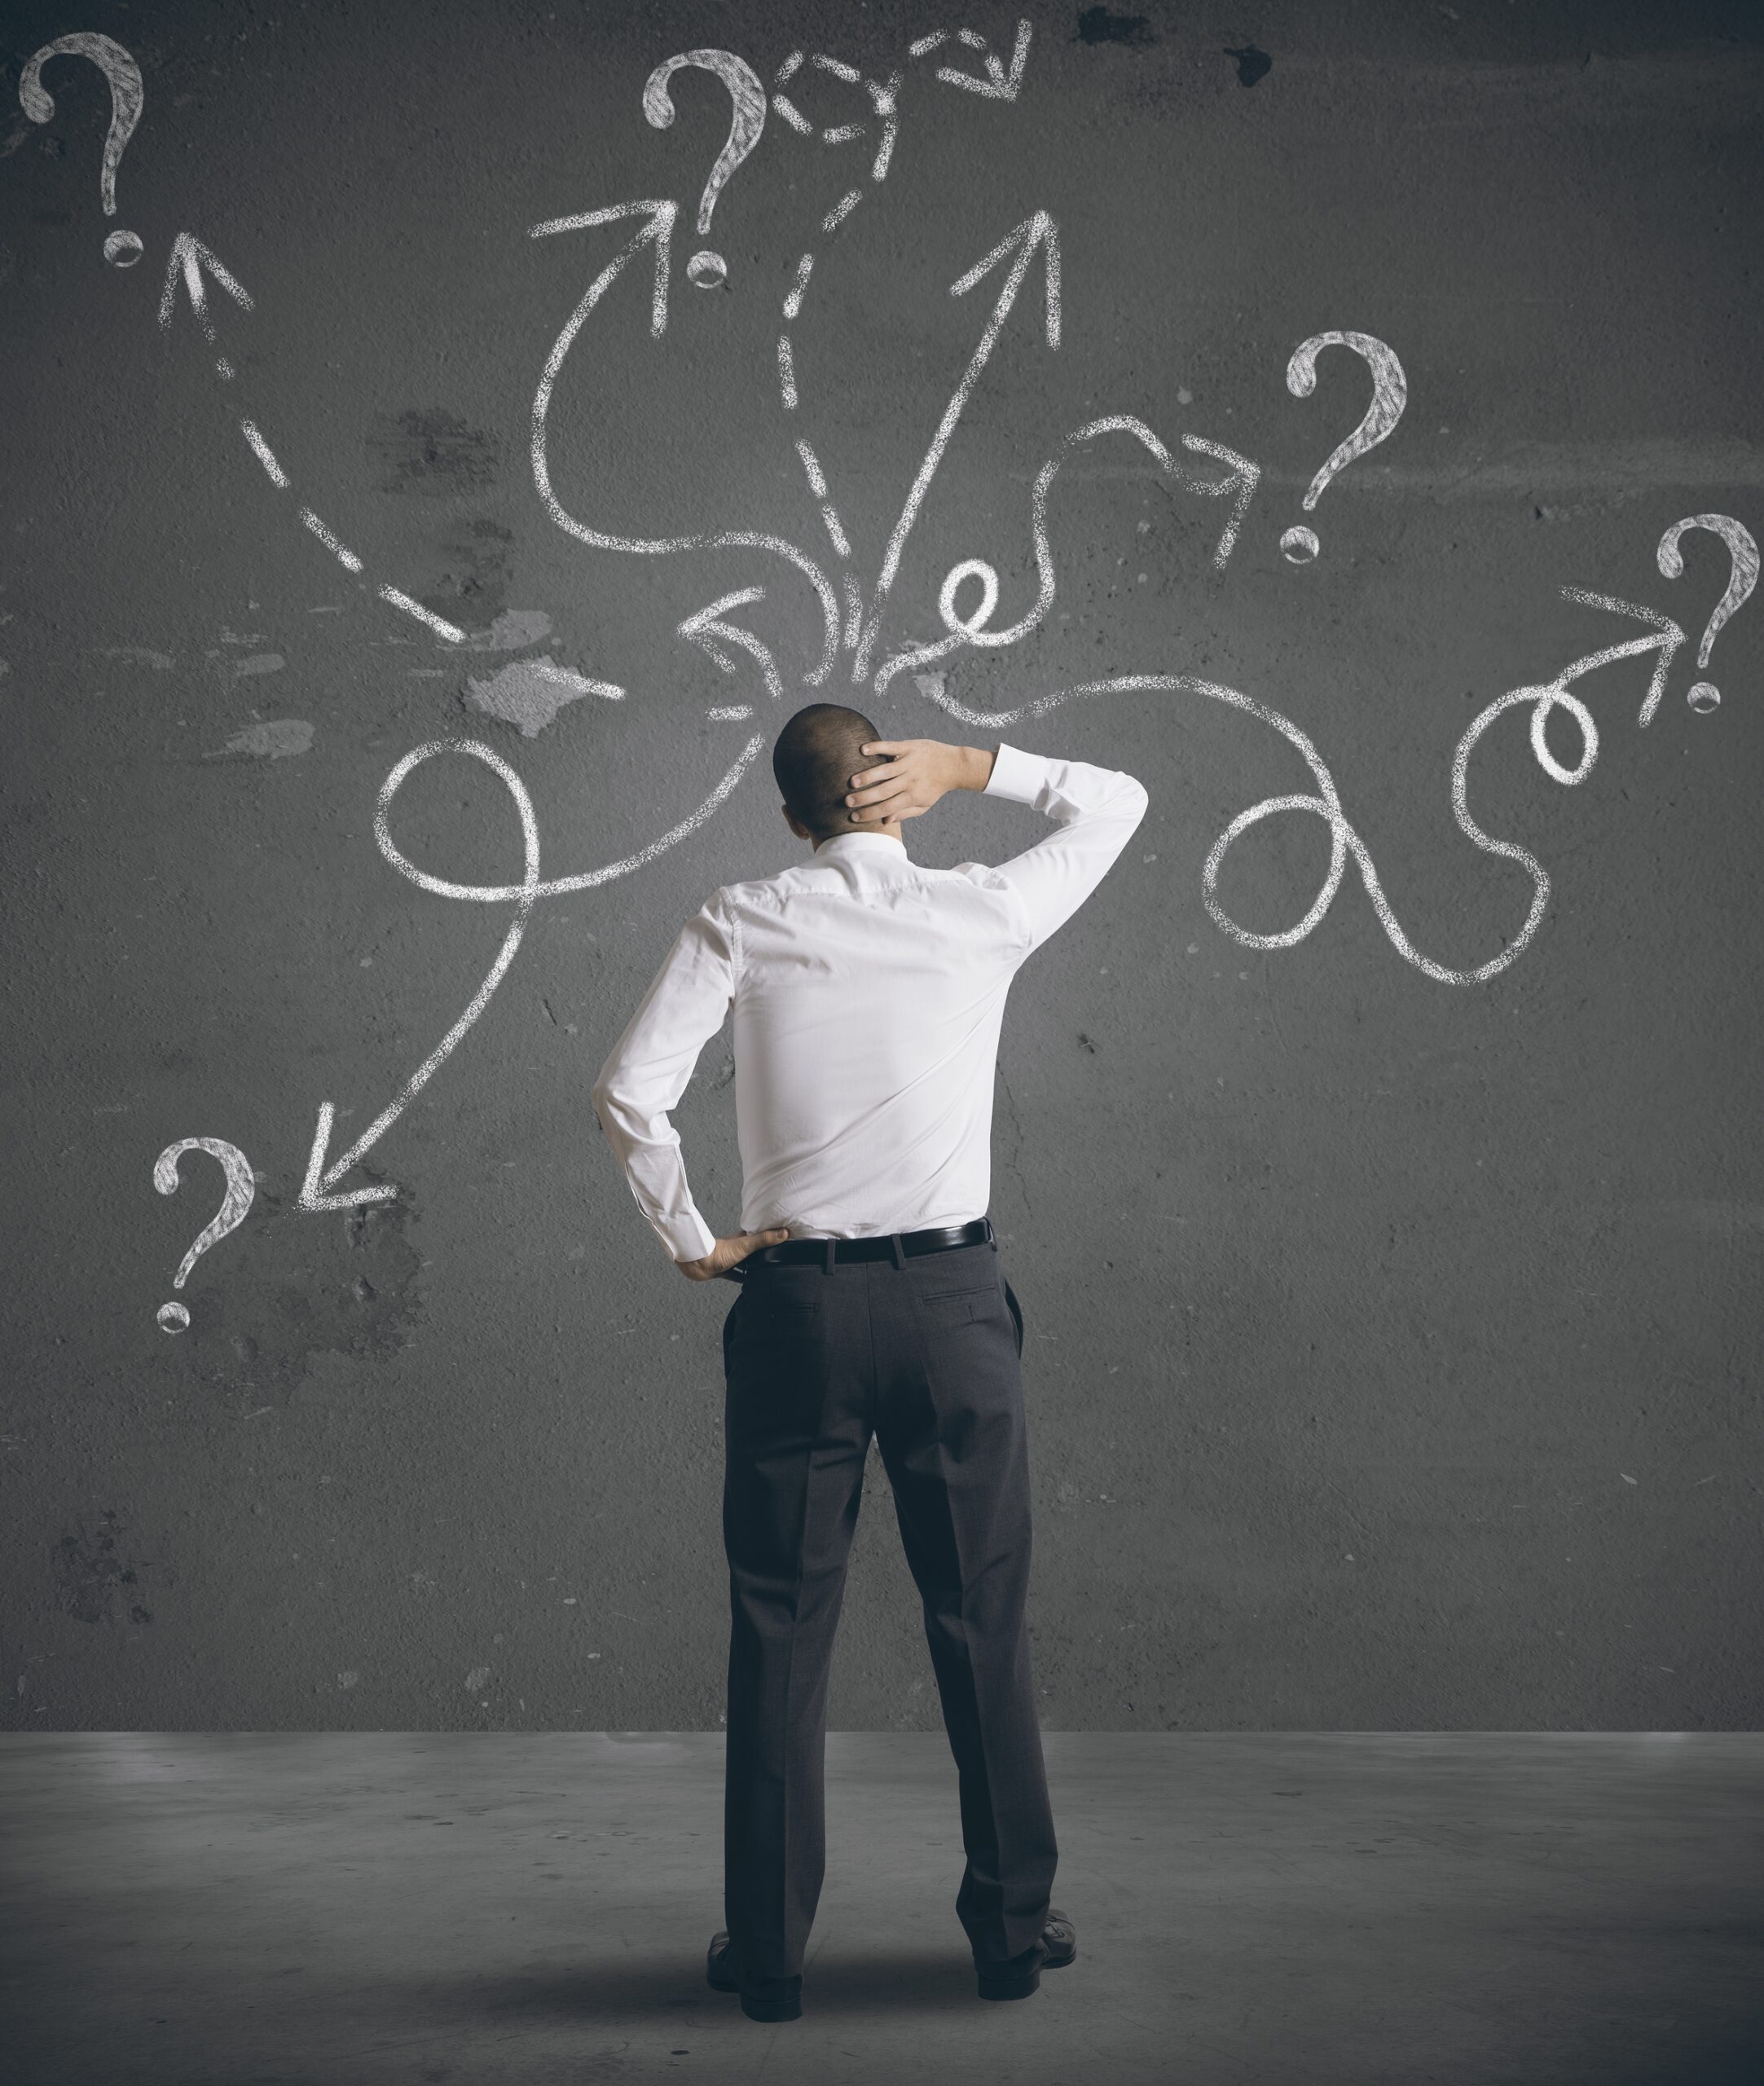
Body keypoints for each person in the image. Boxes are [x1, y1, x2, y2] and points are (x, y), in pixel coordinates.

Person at [591, 702, 1149, 2022]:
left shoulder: (741, 916)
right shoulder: (980, 910)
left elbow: (629, 1091)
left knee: (779, 1634)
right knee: (982, 1621)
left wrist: (689, 1240)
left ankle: (771, 1961)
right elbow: (1117, 800)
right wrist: (975, 766)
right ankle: (1010, 1936)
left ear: (790, 819)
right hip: (955, 1306)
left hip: (796, 1310)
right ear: (895, 798)